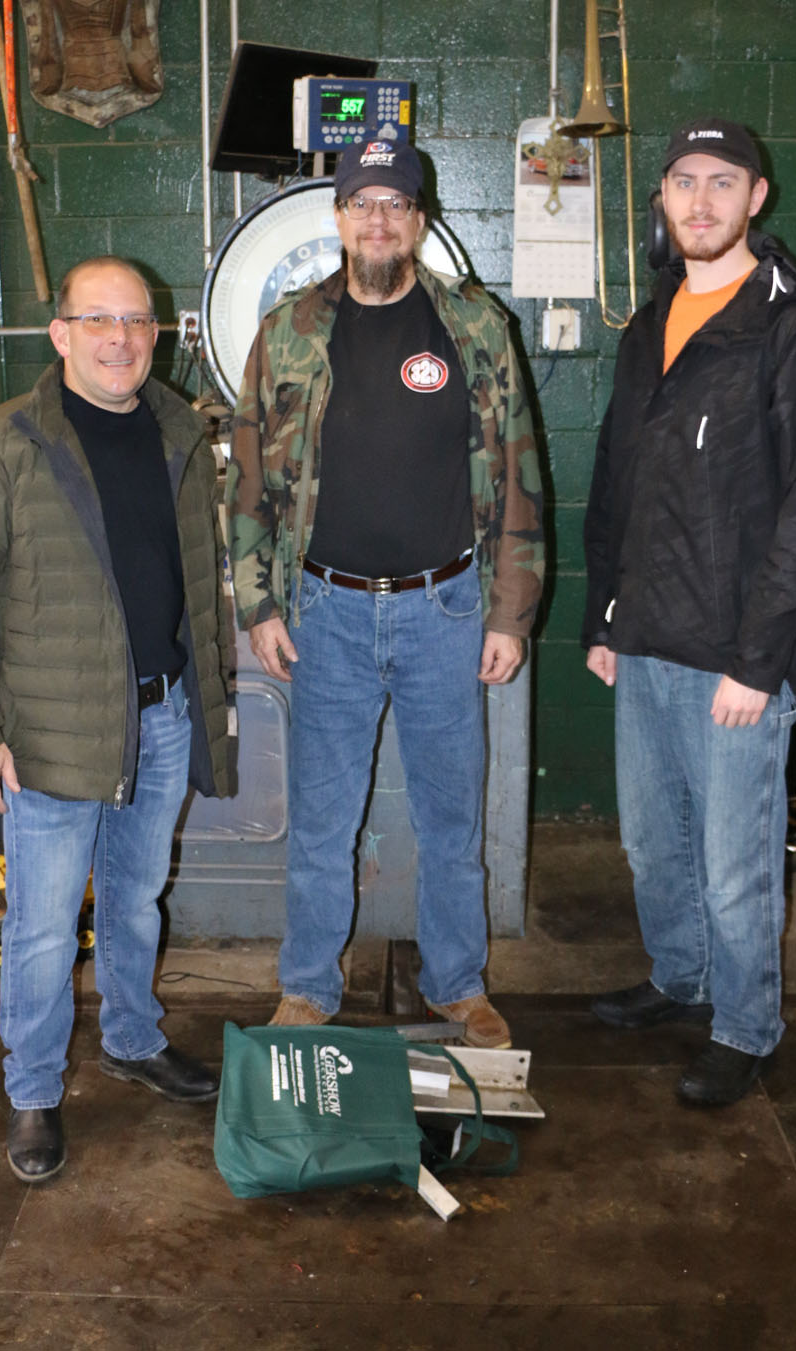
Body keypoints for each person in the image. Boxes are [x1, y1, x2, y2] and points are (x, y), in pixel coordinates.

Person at [0, 256, 232, 1182]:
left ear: (156, 334)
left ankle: (133, 1038)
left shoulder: (178, 430)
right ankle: (33, 1090)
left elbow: (185, 585)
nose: (120, 339)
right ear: (60, 336)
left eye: (136, 321)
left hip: (160, 715)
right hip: (49, 738)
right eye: (98, 321)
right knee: (47, 925)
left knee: (136, 897)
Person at [226, 139, 543, 1048]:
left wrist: (510, 611)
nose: (377, 218)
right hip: (324, 610)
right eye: (360, 201)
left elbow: (520, 479)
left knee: (453, 816)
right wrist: (259, 602)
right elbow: (246, 479)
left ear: (419, 219)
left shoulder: (477, 330)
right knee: (323, 816)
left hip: (446, 609)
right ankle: (308, 987)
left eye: (395, 203)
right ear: (337, 217)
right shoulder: (288, 331)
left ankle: (456, 984)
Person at [582, 118, 796, 1105]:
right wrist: (603, 619)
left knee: (734, 863)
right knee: (653, 842)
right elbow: (617, 476)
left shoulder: (794, 329)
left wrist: (759, 659)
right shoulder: (652, 321)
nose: (700, 201)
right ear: (662, 199)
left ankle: (747, 1026)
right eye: (683, 182)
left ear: (757, 197)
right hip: (646, 636)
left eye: (722, 182)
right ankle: (679, 977)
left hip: (737, 654)